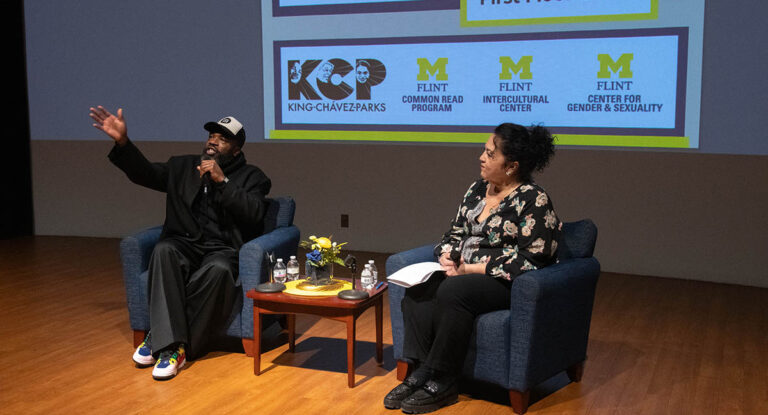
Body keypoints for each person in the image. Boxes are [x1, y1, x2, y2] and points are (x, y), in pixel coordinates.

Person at [383, 123, 562, 413]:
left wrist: (472, 269)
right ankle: (419, 370)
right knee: (419, 288)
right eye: (484, 150)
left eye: (491, 154)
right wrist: (447, 256)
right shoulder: (477, 189)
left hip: (506, 281)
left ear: (512, 166)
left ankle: (443, 379)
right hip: (463, 272)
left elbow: (534, 258)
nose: (482, 157)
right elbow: (454, 233)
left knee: (455, 291)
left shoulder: (533, 199)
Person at [89, 106, 272, 380]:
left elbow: (255, 214)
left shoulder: (253, 178)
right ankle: (172, 345)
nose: (213, 141)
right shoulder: (182, 167)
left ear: (236, 149)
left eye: (222, 138)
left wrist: (223, 182)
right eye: (212, 135)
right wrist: (123, 143)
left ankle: (166, 341)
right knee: (163, 250)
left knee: (220, 271)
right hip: (184, 244)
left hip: (221, 250)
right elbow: (145, 173)